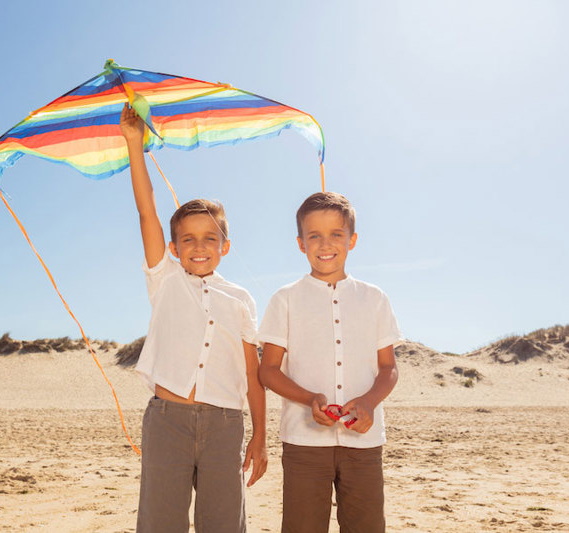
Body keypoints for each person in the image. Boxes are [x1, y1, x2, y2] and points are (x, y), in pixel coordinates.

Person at [119, 103, 267, 533]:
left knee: (223, 524)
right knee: (161, 522)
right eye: (187, 239)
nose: (198, 247)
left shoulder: (240, 298)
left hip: (225, 424)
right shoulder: (165, 280)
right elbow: (147, 211)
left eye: (209, 238)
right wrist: (134, 143)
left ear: (225, 245)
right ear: (173, 247)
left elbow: (252, 373)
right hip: (168, 421)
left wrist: (260, 435)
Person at [258, 191, 401, 533]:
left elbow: (389, 368)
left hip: (364, 442)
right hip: (303, 442)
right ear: (300, 243)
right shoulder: (285, 299)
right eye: (314, 235)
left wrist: (369, 402)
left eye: (336, 233)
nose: (325, 244)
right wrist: (309, 398)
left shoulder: (375, 298)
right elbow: (268, 371)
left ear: (352, 240)